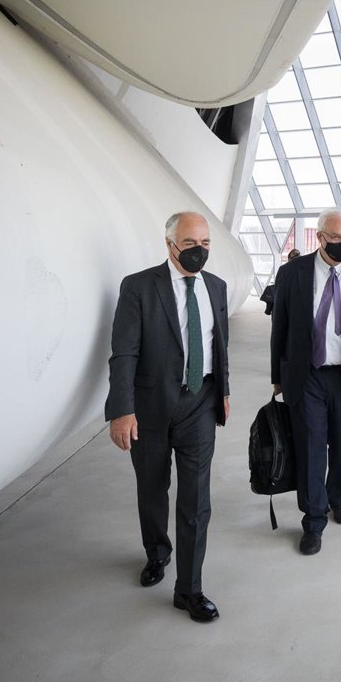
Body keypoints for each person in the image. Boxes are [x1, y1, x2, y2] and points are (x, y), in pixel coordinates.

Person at [104, 211, 230, 622]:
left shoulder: (216, 286)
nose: (199, 252)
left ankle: (189, 589)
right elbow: (124, 352)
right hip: (150, 406)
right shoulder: (139, 286)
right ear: (170, 244)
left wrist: (224, 391)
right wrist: (122, 410)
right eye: (190, 244)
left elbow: (219, 345)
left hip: (200, 401)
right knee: (152, 488)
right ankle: (157, 552)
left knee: (196, 498)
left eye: (205, 244)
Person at [270, 210, 341, 555]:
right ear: (319, 237)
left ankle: (339, 498)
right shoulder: (293, 273)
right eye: (336, 238)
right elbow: (280, 328)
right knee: (311, 446)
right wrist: (278, 377)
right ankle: (314, 519)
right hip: (307, 375)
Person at [258, 248, 303, 316]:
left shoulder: (284, 269)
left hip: (285, 301)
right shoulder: (305, 269)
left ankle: (269, 310)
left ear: (289, 259)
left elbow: (279, 286)